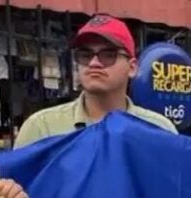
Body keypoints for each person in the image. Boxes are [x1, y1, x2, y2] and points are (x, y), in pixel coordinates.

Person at [14, 14, 176, 148]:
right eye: (85, 55)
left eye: (108, 55)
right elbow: (18, 182)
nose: (94, 63)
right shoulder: (42, 128)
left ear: (132, 67)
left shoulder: (159, 129)